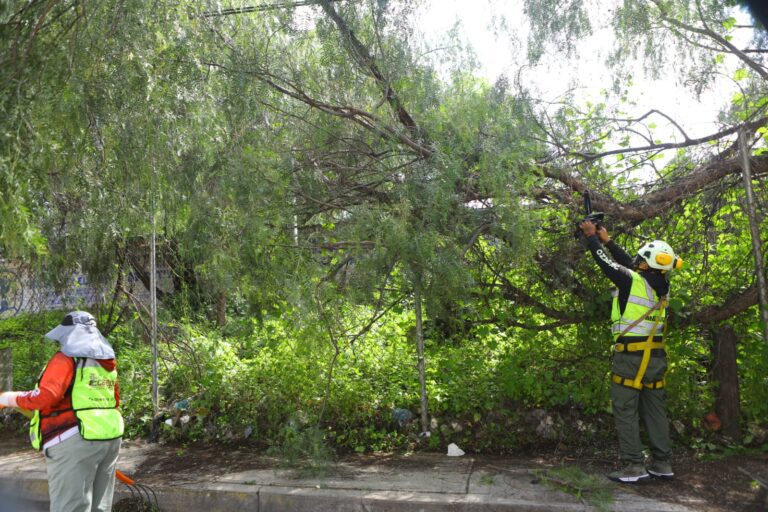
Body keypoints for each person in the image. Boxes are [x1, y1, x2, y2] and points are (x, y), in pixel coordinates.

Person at [579, 220, 682, 483]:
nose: (636, 260)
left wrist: (592, 239)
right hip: (655, 357)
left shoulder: (632, 281)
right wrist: (609, 241)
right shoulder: (662, 285)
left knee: (625, 409)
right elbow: (632, 267)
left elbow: (608, 265)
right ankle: (662, 463)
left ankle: (633, 466)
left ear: (646, 262)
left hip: (631, 358)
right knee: (655, 409)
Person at [0, 311, 124, 511]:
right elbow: (114, 400)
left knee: (70, 507)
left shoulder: (65, 359)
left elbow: (45, 396)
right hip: (109, 439)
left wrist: (8, 398)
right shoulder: (107, 363)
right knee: (99, 508)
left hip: (73, 439)